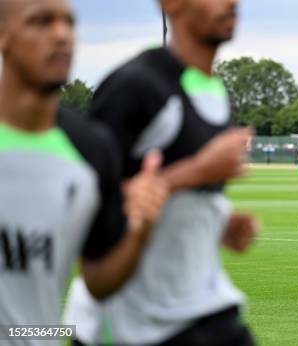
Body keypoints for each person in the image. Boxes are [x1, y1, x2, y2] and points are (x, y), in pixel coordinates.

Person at [64, 0, 259, 345]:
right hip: (133, 324)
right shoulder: (135, 86)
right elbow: (86, 199)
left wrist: (219, 225)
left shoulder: (214, 91)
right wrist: (198, 170)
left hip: (204, 309)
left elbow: (175, 192)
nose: (232, 3)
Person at [0, 0, 168, 345]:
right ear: (4, 35)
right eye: (41, 22)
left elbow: (99, 280)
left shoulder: (92, 148)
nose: (61, 35)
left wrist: (140, 227)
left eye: (69, 23)